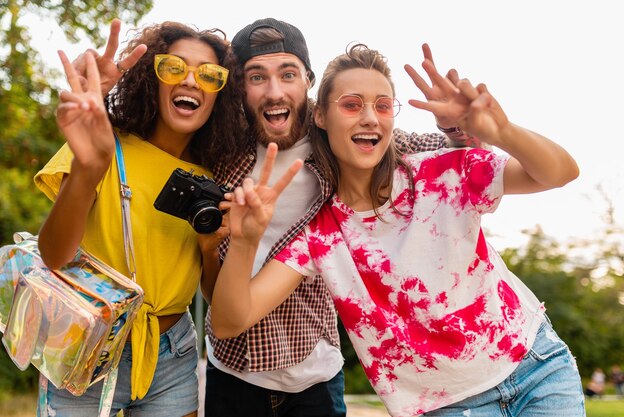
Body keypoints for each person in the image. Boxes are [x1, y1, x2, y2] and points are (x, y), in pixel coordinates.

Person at [210, 43, 585, 417]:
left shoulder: (441, 172)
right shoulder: (322, 236)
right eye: (352, 105)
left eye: (383, 106)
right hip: (445, 406)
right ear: (320, 116)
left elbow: (560, 173)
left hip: (538, 366)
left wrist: (502, 131)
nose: (371, 117)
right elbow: (230, 321)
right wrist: (244, 241)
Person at [201, 18, 480, 417]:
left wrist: (456, 125)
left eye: (288, 74)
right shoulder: (219, 147)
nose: (275, 90)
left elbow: (446, 153)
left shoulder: (338, 133)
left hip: (314, 373)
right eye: (256, 77)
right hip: (231, 369)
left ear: (308, 80)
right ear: (239, 87)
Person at [34, 20, 243, 416]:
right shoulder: (99, 144)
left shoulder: (212, 180)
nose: (191, 82)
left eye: (209, 75)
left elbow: (214, 296)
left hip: (173, 355)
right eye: (174, 68)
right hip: (86, 346)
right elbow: (54, 255)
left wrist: (211, 249)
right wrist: (87, 167)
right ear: (152, 78)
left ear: (221, 93)